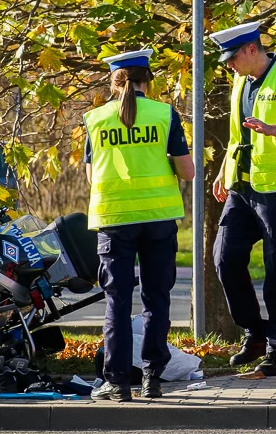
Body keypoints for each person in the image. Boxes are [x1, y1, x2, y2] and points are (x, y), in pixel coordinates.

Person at [83, 49, 194, 402]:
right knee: (156, 299)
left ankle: (117, 383)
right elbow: (187, 170)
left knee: (117, 301)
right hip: (158, 219)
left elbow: (90, 173)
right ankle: (152, 379)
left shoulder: (95, 118)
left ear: (113, 82)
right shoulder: (164, 114)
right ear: (148, 81)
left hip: (115, 220)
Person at [209, 22, 276, 376]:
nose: (229, 65)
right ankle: (255, 332)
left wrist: (273, 129)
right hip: (243, 188)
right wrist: (224, 170)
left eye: (232, 57)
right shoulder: (241, 80)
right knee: (224, 258)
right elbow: (238, 135)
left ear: (252, 49)